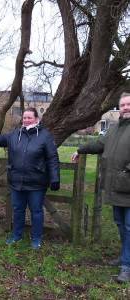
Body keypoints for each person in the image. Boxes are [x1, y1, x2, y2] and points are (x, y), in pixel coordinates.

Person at [0, 108, 60, 249]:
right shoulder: (15, 135)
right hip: (17, 182)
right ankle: (17, 235)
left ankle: (36, 238)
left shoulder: (45, 136)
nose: (26, 120)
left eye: (29, 117)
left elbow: (52, 158)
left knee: (36, 211)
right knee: (17, 210)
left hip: (36, 183)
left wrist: (54, 178)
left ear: (37, 119)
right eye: (24, 118)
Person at [71, 92, 130, 283]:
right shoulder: (113, 129)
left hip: (127, 185)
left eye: (129, 104)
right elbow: (99, 144)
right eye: (122, 105)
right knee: (121, 225)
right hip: (115, 187)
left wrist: (126, 172)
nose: (126, 108)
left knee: (129, 227)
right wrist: (80, 149)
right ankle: (125, 257)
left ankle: (126, 267)